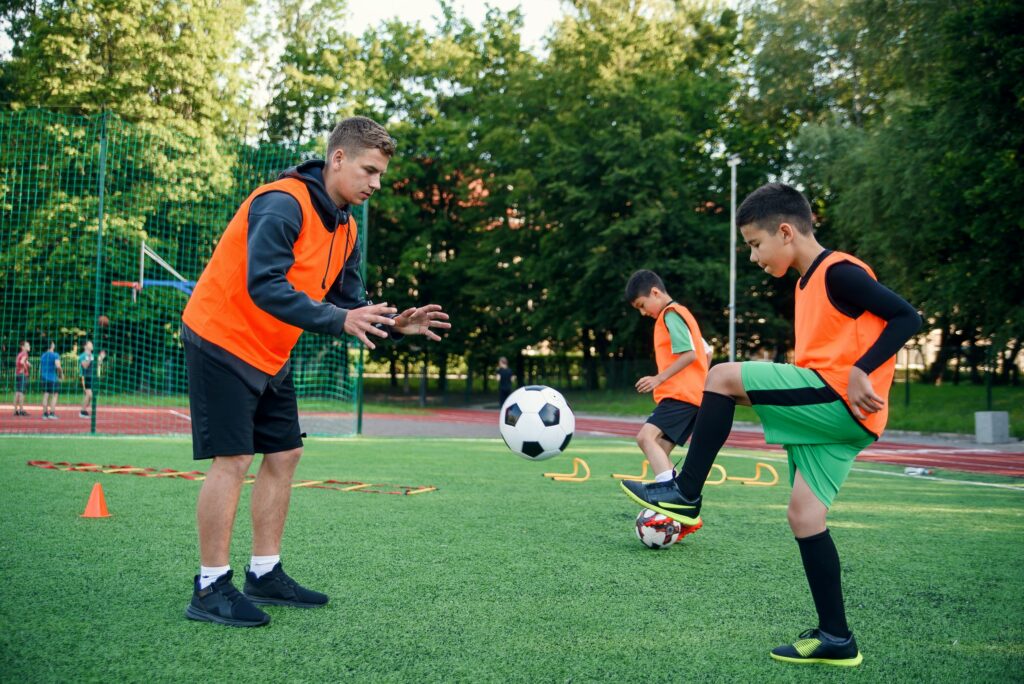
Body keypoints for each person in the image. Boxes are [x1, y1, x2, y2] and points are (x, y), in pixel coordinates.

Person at [621, 183, 921, 667]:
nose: (755, 257)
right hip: (838, 416)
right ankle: (837, 638)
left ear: (785, 231)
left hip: (839, 398)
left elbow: (907, 316)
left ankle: (686, 493)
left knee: (720, 377)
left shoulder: (836, 271)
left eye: (756, 245)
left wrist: (863, 369)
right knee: (804, 517)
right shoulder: (805, 284)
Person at [180, 116, 450, 628]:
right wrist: (341, 319)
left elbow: (350, 303)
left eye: (381, 176)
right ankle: (211, 585)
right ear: (339, 159)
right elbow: (265, 286)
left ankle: (265, 572)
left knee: (285, 453)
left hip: (268, 349)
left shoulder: (345, 226)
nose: (375, 184)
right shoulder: (283, 203)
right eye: (369, 170)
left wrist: (396, 324)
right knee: (233, 459)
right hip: (220, 336)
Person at [624, 270, 710, 509]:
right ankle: (679, 505)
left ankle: (675, 499)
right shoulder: (684, 314)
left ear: (655, 292)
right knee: (660, 449)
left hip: (680, 396)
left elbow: (690, 354)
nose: (643, 313)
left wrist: (658, 378)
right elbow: (706, 350)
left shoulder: (669, 314)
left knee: (645, 438)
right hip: (692, 397)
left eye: (642, 305)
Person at [39, 341, 62, 420]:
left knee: (45, 395)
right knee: (55, 395)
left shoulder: (43, 355)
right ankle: (52, 413)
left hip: (44, 377)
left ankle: (45, 414)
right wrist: (61, 374)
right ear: (52, 345)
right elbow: (58, 366)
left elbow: (41, 368)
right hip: (52, 378)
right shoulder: (55, 355)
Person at [78, 340, 95, 418]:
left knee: (88, 396)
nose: (92, 345)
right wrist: (89, 358)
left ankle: (83, 411)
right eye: (90, 344)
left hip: (91, 376)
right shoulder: (83, 355)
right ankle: (82, 411)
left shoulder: (91, 355)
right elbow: (85, 366)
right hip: (85, 377)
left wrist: (101, 358)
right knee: (90, 395)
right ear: (85, 346)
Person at [13, 340, 30, 416]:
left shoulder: (19, 354)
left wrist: (27, 363)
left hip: (18, 374)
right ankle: (21, 410)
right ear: (23, 347)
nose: (29, 346)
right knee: (22, 393)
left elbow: (21, 362)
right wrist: (25, 368)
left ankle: (15, 410)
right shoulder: (25, 353)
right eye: (27, 345)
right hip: (22, 374)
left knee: (17, 392)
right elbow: (22, 362)